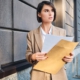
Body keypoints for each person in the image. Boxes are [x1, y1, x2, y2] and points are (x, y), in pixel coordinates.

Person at [26, 1, 73, 80]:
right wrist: (33, 56)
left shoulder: (62, 32)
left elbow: (65, 52)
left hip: (58, 74)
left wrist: (69, 57)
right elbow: (28, 54)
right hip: (38, 74)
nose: (51, 13)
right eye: (46, 11)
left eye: (52, 10)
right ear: (39, 14)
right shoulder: (31, 34)